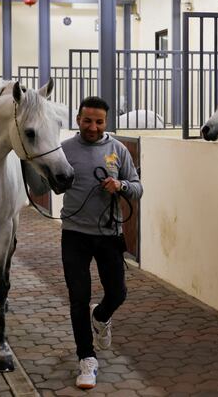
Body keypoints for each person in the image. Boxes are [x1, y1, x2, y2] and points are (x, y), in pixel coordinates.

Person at [60, 96, 143, 390]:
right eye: (87, 121)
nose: (92, 127)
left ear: (106, 122)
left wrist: (120, 185)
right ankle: (86, 358)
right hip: (74, 234)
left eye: (98, 122)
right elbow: (46, 184)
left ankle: (102, 315)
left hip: (109, 235)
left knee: (118, 293)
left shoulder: (117, 149)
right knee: (78, 297)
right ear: (78, 120)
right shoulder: (65, 150)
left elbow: (137, 188)